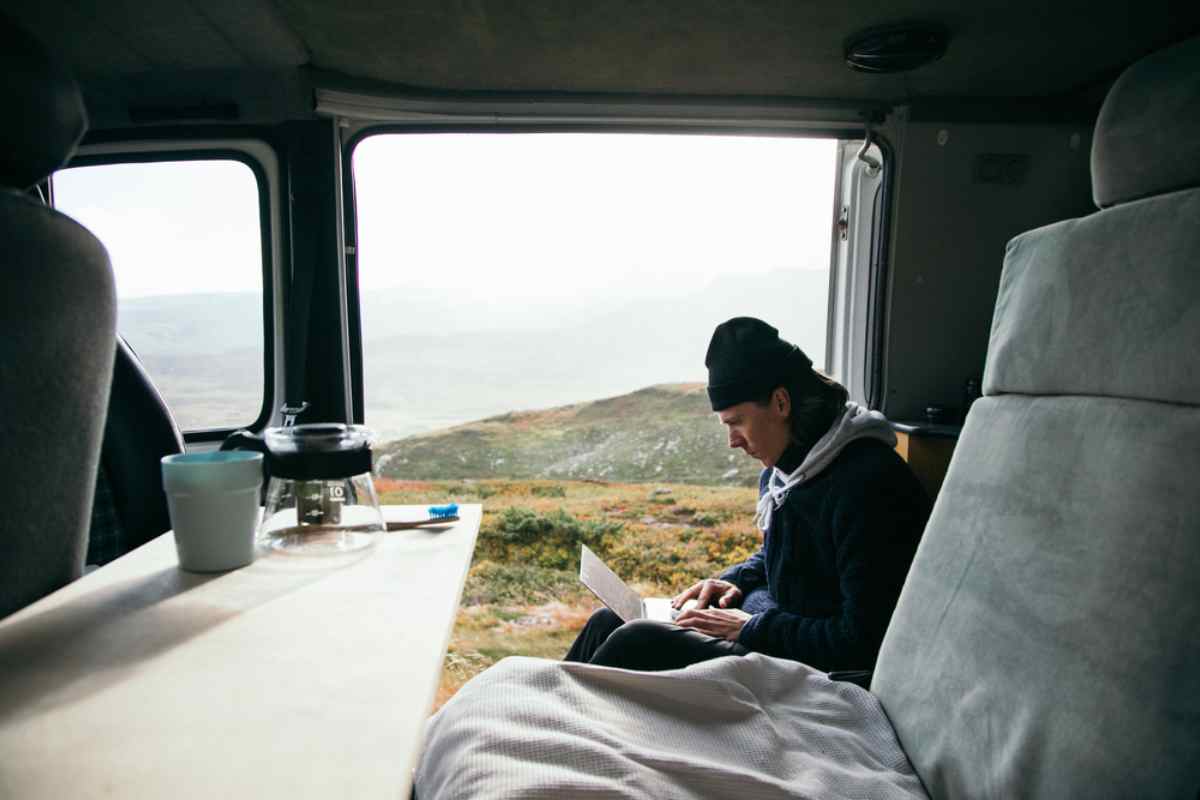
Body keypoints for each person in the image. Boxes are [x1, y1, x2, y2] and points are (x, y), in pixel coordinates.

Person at [565, 317, 931, 672]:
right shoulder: (785, 472)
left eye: (737, 422)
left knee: (637, 640)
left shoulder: (869, 486)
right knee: (606, 622)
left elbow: (863, 641)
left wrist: (748, 628)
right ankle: (535, 715)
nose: (732, 441)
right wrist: (734, 581)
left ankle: (565, 728)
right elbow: (787, 556)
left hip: (810, 666)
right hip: (767, 627)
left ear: (781, 403)